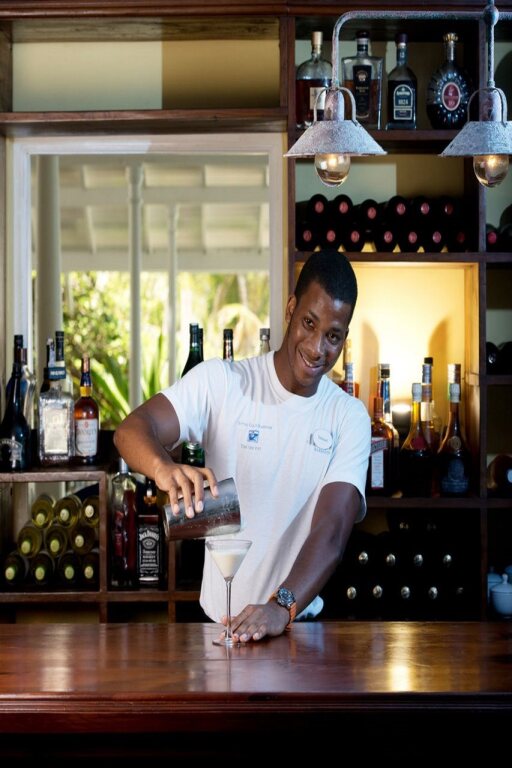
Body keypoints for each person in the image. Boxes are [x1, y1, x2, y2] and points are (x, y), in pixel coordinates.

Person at [114, 249, 370, 641]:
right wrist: (163, 468)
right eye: (309, 323)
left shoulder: (348, 417)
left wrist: (280, 607)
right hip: (218, 631)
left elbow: (331, 531)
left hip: (296, 631)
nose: (317, 348)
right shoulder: (222, 382)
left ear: (344, 339)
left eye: (332, 336)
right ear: (291, 309)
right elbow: (130, 430)